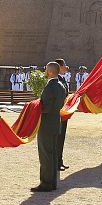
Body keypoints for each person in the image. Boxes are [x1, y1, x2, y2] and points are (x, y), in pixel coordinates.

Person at [32, 62, 66, 192]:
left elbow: (45, 106)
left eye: (46, 70)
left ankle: (46, 183)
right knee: (52, 154)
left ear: (50, 72)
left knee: (45, 154)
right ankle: (52, 182)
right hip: (55, 122)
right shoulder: (61, 85)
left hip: (46, 123)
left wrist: (35, 107)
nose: (45, 72)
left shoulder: (50, 86)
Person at [54, 58, 70, 171]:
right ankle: (56, 162)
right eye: (65, 65)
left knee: (61, 138)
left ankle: (60, 160)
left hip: (62, 113)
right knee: (57, 139)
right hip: (57, 114)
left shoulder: (61, 79)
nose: (66, 67)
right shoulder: (56, 80)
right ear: (59, 67)